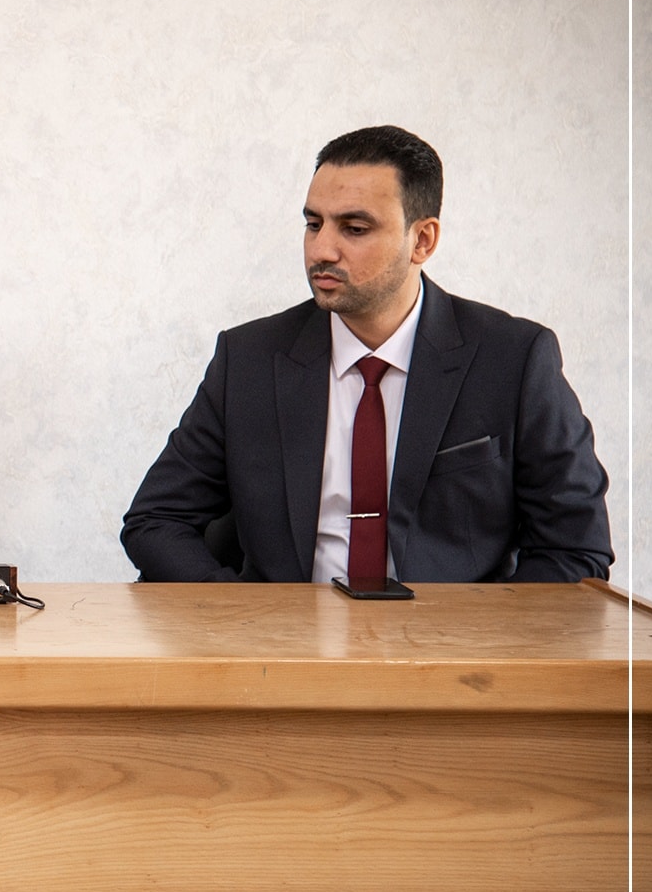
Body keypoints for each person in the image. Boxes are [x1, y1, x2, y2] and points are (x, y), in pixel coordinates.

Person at [121, 125, 611, 585]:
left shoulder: (513, 360)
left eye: (354, 229)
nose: (322, 250)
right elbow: (156, 519)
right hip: (287, 639)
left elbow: (575, 549)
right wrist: (244, 619)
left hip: (449, 640)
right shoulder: (248, 359)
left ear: (422, 240)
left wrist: (484, 638)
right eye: (314, 224)